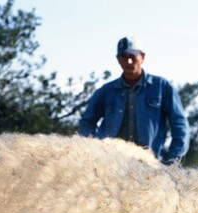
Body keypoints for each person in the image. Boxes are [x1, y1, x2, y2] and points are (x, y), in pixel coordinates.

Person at [79, 36, 190, 165]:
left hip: (151, 165)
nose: (129, 61)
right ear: (118, 60)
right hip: (111, 164)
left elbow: (180, 124)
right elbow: (87, 122)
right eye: (124, 57)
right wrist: (93, 150)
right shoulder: (106, 91)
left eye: (133, 56)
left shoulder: (161, 87)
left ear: (142, 57)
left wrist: (172, 159)